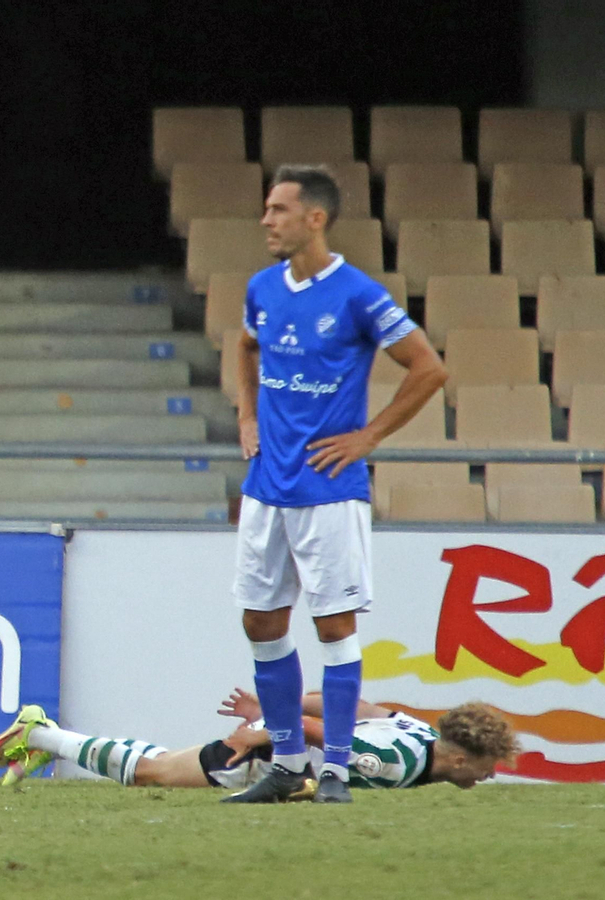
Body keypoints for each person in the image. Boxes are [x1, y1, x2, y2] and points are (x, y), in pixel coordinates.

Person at [225, 166, 447, 804]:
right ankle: (289, 764)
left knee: (334, 626)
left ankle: (338, 770)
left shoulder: (357, 294)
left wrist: (369, 436)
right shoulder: (263, 289)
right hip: (268, 484)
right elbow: (243, 346)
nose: (267, 220)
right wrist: (245, 415)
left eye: (278, 209)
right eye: (266, 209)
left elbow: (428, 368)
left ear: (314, 218)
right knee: (261, 622)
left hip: (329, 487)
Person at [0, 690, 518, 795]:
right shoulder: (396, 762)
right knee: (154, 771)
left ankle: (46, 740)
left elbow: (348, 706)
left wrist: (272, 711)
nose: (490, 774)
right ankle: (38, 732)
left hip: (272, 746)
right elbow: (320, 732)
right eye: (486, 765)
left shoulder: (419, 729)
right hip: (263, 757)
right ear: (457, 756)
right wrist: (263, 730)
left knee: (159, 763)